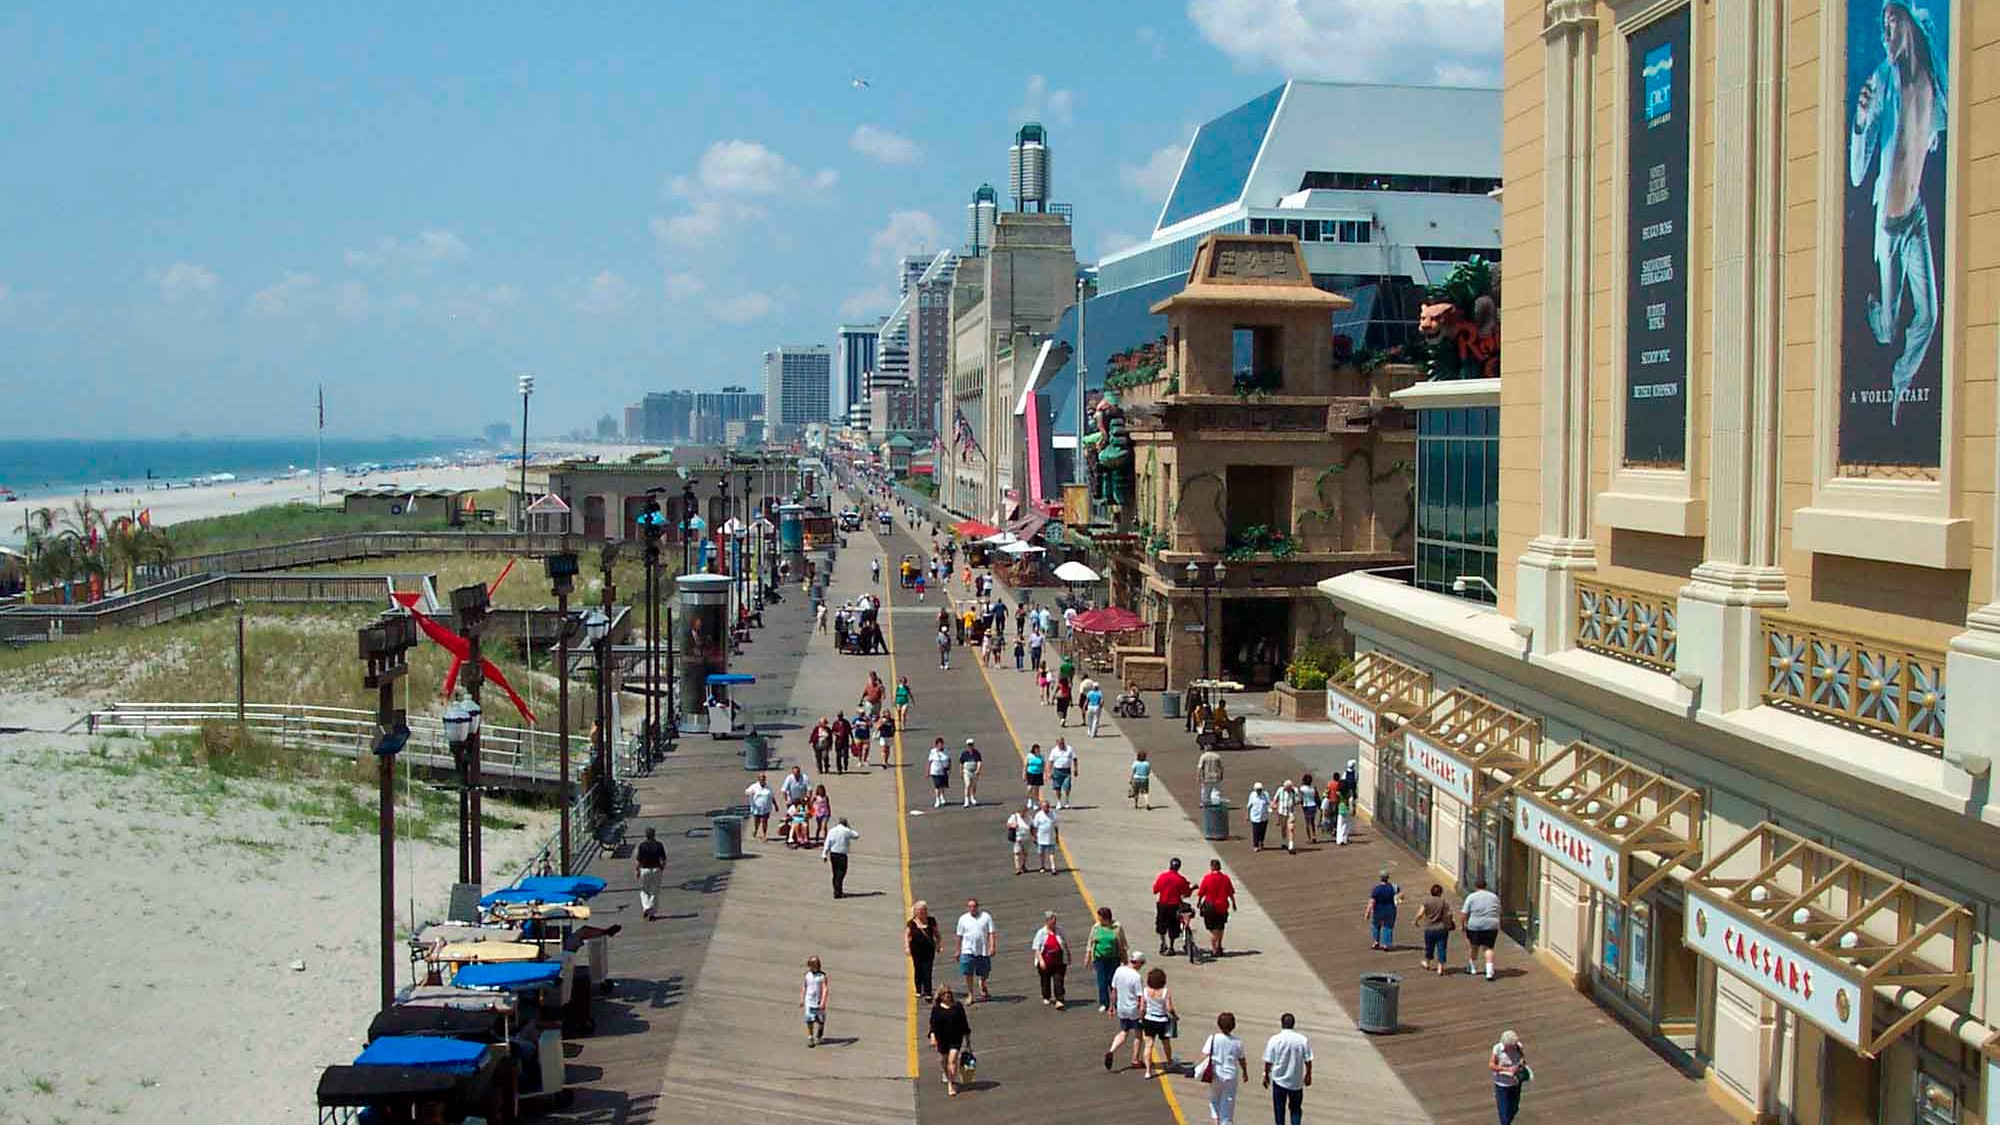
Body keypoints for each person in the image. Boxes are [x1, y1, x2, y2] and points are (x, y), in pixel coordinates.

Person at [1849, 0, 1947, 425]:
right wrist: (1860, 123)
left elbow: (1936, 132)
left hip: (1917, 216)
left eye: (1892, 22)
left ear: (1908, 23)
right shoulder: (1880, 80)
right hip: (1888, 226)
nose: (1885, 32)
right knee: (1888, 330)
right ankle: (1879, 311)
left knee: (1929, 313)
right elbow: (1856, 174)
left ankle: (1899, 386)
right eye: (1882, 25)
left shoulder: (1934, 81)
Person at [1261, 1013, 1313, 1125]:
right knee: (1295, 1109)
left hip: (1279, 1081)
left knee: (1279, 1110)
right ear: (1293, 1024)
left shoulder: (1275, 1040)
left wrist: (1266, 1075)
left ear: (1282, 1024)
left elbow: (1268, 1061)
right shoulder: (1302, 1040)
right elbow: (1308, 1060)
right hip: (1296, 1082)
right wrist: (1308, 1074)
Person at [1198, 1012, 1247, 1125]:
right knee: (1228, 1102)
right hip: (1231, 1076)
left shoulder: (1213, 1038)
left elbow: (1204, 1055)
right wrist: (1245, 1072)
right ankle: (1226, 1122)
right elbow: (1241, 1059)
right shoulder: (1237, 1041)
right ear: (1233, 1026)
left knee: (1214, 1099)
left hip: (1216, 1074)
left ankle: (1216, 1120)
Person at [1105, 950, 1148, 1072]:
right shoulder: (1136, 977)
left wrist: (1111, 1006)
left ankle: (1111, 1050)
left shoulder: (1119, 970)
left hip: (1122, 1007)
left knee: (1123, 1032)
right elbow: (1140, 997)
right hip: (1133, 1009)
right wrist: (1142, 1011)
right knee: (1138, 1035)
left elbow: (1114, 990)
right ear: (1138, 962)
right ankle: (1135, 1060)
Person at [929, 989, 972, 1097]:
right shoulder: (936, 1009)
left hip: (955, 1038)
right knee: (944, 1060)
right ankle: (946, 1074)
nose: (947, 995)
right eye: (944, 994)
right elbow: (933, 1025)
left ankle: (950, 1083)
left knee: (952, 1060)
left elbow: (964, 1023)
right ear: (940, 996)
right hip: (942, 1038)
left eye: (949, 993)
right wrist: (933, 1036)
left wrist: (968, 1041)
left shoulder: (957, 1007)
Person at [1139, 966, 1179, 1078]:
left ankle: (1147, 1071)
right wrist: (1175, 1016)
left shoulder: (1145, 991)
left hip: (1149, 1020)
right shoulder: (1165, 992)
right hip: (1162, 1020)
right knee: (1166, 1043)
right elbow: (1169, 1008)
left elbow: (1142, 1008)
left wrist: (1141, 1018)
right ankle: (1170, 1062)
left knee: (1148, 1045)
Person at [1461, 878, 1504, 980]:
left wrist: (1463, 925)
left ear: (1476, 886)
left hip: (1474, 925)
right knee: (1488, 948)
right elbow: (1499, 910)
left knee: (1474, 946)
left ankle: (1473, 968)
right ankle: (1489, 971)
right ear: (1486, 886)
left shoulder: (1471, 897)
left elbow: (1464, 913)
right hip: (1491, 925)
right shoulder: (1494, 897)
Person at [1087, 906, 1127, 1012]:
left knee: (1113, 982)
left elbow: (1123, 943)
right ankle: (1104, 1002)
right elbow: (1091, 942)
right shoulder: (1096, 927)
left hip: (1114, 958)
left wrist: (1124, 958)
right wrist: (1088, 956)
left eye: (1099, 916)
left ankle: (1116, 1002)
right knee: (1102, 982)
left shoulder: (1117, 927)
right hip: (1100, 959)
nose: (1098, 918)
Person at [955, 898, 995, 1002]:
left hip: (983, 950)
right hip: (967, 950)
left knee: (985, 972)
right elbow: (959, 936)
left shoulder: (986, 917)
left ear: (978, 906)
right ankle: (971, 994)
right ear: (967, 908)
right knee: (968, 973)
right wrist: (958, 950)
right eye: (970, 906)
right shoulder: (963, 919)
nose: (972, 908)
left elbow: (991, 933)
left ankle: (983, 983)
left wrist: (992, 946)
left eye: (974, 906)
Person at [1196, 858, 1237, 958]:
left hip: (1211, 907)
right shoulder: (1225, 878)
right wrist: (1233, 903)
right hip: (1222, 906)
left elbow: (1201, 892)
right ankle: (1219, 946)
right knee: (1221, 927)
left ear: (1211, 867)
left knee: (1213, 929)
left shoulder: (1207, 878)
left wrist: (1199, 902)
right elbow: (1230, 892)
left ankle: (1214, 950)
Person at [1151, 857, 1193, 955]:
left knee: (1161, 925)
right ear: (1179, 867)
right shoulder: (1181, 879)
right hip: (1175, 906)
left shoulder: (1163, 876)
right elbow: (1186, 893)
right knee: (1173, 926)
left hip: (1163, 904)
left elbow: (1155, 890)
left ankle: (1163, 943)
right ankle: (1171, 947)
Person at [1029, 909, 1069, 1009]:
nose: (1054, 923)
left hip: (1059, 961)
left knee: (1058, 981)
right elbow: (1036, 948)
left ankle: (1059, 999)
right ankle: (1046, 996)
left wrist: (1068, 954)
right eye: (1052, 921)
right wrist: (1041, 960)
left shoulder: (1060, 930)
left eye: (1055, 920)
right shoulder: (1041, 933)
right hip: (1046, 962)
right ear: (1047, 921)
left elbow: (1064, 943)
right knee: (1045, 981)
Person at [1491, 1029, 1528, 1124]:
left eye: (1513, 1046)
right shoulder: (1498, 1049)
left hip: (1515, 1083)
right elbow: (1492, 1065)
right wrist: (1508, 1070)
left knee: (1514, 1108)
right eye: (1510, 1046)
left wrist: (1520, 1065)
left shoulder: (1518, 1046)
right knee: (1504, 1115)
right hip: (1501, 1085)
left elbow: (1522, 1058)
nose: (1512, 1048)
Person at [1417, 883, 1455, 975]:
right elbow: (1449, 914)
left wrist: (1416, 920)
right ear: (1440, 893)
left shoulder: (1426, 901)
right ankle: (1440, 967)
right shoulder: (1444, 902)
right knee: (1441, 947)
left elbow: (1421, 913)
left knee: (1429, 946)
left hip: (1429, 928)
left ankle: (1427, 962)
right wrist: (1450, 924)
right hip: (1442, 928)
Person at [906, 901, 941, 1001]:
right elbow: (907, 936)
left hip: (929, 950)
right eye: (919, 910)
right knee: (918, 969)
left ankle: (928, 991)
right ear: (916, 911)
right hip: (916, 950)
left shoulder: (931, 921)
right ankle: (918, 989)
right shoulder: (912, 923)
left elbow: (937, 934)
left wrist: (939, 945)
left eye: (923, 910)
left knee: (928, 970)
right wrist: (907, 947)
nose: (921, 912)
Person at [821, 817, 860, 898]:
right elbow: (856, 835)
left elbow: (827, 842)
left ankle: (837, 890)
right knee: (841, 873)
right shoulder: (847, 831)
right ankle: (838, 891)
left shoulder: (832, 830)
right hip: (842, 855)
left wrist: (824, 854)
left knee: (835, 873)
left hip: (833, 854)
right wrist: (849, 828)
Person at [635, 827, 667, 921]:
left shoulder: (642, 846)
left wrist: (637, 870)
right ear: (654, 835)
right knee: (655, 891)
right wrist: (662, 868)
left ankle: (646, 907)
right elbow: (663, 859)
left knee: (644, 891)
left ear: (646, 835)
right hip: (656, 869)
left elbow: (639, 860)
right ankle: (652, 912)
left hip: (645, 870)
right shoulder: (659, 845)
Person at [1365, 869, 1401, 950]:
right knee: (1388, 926)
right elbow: (1400, 895)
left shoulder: (1376, 889)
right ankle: (1386, 944)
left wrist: (1367, 912)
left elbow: (1372, 901)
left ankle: (1376, 942)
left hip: (1378, 909)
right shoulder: (1394, 887)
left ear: (1380, 878)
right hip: (1390, 908)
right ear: (1388, 877)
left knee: (1376, 925)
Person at [801, 956, 829, 1048]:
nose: (812, 967)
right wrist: (802, 999)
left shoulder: (822, 976)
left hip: (818, 1002)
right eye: (811, 965)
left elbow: (825, 989)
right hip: (809, 1001)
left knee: (820, 1021)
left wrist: (823, 1001)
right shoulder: (807, 975)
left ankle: (820, 1032)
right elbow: (804, 987)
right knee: (809, 1020)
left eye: (814, 965)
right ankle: (810, 1038)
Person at [743, 774, 776, 843]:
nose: (762, 780)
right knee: (757, 822)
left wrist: (775, 805)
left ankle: (764, 835)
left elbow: (772, 796)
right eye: (761, 779)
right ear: (758, 779)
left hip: (766, 808)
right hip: (756, 808)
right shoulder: (754, 786)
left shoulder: (768, 787)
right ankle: (756, 829)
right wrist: (750, 793)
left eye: (763, 779)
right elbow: (746, 792)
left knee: (764, 821)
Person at [1032, 798, 1060, 875]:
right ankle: (1042, 866)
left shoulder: (1053, 814)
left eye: (1047, 806)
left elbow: (1055, 826)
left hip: (1051, 837)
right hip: (1041, 838)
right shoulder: (1038, 815)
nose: (1046, 808)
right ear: (1041, 807)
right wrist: (1034, 836)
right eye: (1044, 807)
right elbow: (1034, 826)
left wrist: (1057, 836)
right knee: (1041, 853)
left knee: (1051, 854)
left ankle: (1053, 868)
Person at [1049, 736, 1078, 809]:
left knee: (1067, 786)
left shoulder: (1069, 749)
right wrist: (1049, 772)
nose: (1061, 744)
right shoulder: (1054, 750)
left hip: (1066, 771)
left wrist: (1075, 769)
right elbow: (1051, 762)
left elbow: (1074, 759)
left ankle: (1067, 801)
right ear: (1057, 743)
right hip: (1057, 770)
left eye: (1062, 742)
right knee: (1057, 787)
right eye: (1060, 743)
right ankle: (1059, 802)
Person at [1006, 800, 1034, 875]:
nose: (1023, 814)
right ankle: (1018, 868)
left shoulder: (1029, 817)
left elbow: (1032, 827)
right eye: (1022, 812)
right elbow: (1008, 824)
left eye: (1025, 812)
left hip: (1027, 838)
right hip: (1018, 838)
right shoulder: (1014, 816)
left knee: (1025, 853)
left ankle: (1023, 865)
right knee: (1017, 853)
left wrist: (1034, 836)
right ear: (1019, 811)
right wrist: (1013, 825)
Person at [1273, 779, 1299, 855]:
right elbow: (1275, 799)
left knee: (1291, 828)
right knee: (1283, 827)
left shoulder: (1295, 791)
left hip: (1291, 812)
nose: (1286, 789)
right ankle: (1284, 842)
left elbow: (1298, 801)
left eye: (1287, 788)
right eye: (1285, 788)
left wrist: (1296, 795)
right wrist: (1274, 805)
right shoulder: (1280, 790)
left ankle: (1291, 846)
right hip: (1282, 812)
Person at [1246, 783, 1271, 851]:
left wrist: (1271, 808)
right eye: (1258, 790)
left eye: (1260, 790)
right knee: (1256, 831)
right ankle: (1255, 845)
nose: (1259, 791)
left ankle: (1261, 842)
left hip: (1264, 816)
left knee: (1262, 831)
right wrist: (1247, 816)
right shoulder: (1252, 795)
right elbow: (1249, 806)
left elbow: (1269, 803)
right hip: (1255, 816)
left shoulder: (1265, 794)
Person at [928, 738, 952, 808]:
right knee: (937, 786)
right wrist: (928, 771)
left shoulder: (946, 751)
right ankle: (937, 800)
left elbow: (949, 760)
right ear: (936, 745)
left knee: (942, 785)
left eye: (942, 744)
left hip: (943, 771)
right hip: (935, 771)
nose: (941, 746)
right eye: (939, 744)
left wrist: (949, 769)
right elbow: (929, 761)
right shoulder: (933, 751)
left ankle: (942, 797)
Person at [960, 738, 984, 807]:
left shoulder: (977, 753)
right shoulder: (964, 754)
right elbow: (961, 763)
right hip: (967, 771)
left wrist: (978, 770)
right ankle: (966, 800)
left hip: (974, 772)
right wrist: (961, 772)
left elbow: (979, 762)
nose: (970, 746)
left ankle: (972, 797)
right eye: (969, 745)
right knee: (967, 785)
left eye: (971, 745)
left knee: (973, 785)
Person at [1299, 773, 1319, 845]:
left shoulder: (1302, 789)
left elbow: (1301, 798)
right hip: (1313, 806)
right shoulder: (1313, 789)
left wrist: (1301, 804)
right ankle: (1314, 836)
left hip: (1306, 806)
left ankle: (1309, 838)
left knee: (1307, 823)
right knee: (1312, 822)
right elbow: (1316, 797)